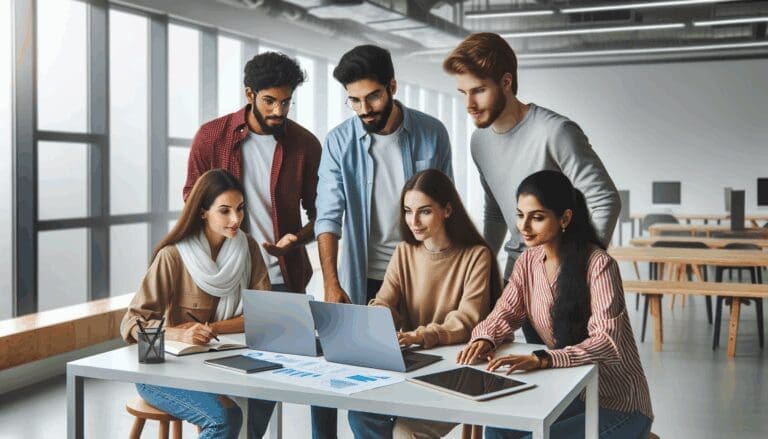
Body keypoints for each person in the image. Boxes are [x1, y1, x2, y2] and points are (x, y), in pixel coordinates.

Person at [443, 33, 621, 344]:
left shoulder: (556, 132)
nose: (469, 104)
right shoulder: (480, 141)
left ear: (507, 82)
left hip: (565, 278)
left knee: (572, 378)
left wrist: (577, 269)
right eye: (463, 93)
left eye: (479, 91)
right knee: (532, 375)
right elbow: (496, 212)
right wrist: (481, 265)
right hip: (519, 274)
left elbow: (604, 199)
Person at [456, 170, 653, 439]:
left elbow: (606, 341)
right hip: (570, 391)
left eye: (537, 217)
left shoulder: (599, 265)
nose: (523, 227)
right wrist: (486, 338)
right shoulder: (527, 262)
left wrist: (545, 359)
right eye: (520, 215)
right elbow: (505, 312)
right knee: (497, 428)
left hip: (618, 404)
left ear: (565, 218)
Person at [120, 169, 273, 439]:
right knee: (225, 419)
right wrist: (178, 332)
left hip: (223, 363)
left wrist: (211, 327)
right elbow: (132, 323)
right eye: (224, 211)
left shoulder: (247, 248)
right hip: (163, 372)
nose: (236, 219)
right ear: (202, 211)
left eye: (240, 209)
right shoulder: (173, 256)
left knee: (268, 392)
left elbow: (263, 314)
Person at [347, 169, 500, 439]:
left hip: (455, 372)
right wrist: (379, 319)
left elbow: (466, 320)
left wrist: (417, 335)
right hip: (410, 367)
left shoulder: (477, 255)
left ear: (448, 210)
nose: (413, 221)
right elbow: (384, 300)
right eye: (407, 211)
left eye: (424, 211)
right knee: (360, 413)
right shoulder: (404, 252)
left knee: (405, 433)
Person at [316, 44, 453, 309]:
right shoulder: (337, 142)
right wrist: (331, 284)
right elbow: (328, 217)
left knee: (423, 347)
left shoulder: (433, 132)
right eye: (354, 100)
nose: (364, 109)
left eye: (373, 97)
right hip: (364, 278)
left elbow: (449, 208)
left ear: (392, 87)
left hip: (423, 274)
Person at [184, 51, 321, 295]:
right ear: (250, 94)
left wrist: (297, 240)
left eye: (286, 102)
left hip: (283, 278)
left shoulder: (305, 145)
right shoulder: (212, 137)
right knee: (222, 335)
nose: (279, 111)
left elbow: (321, 214)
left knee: (289, 335)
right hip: (222, 275)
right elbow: (192, 200)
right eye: (269, 101)